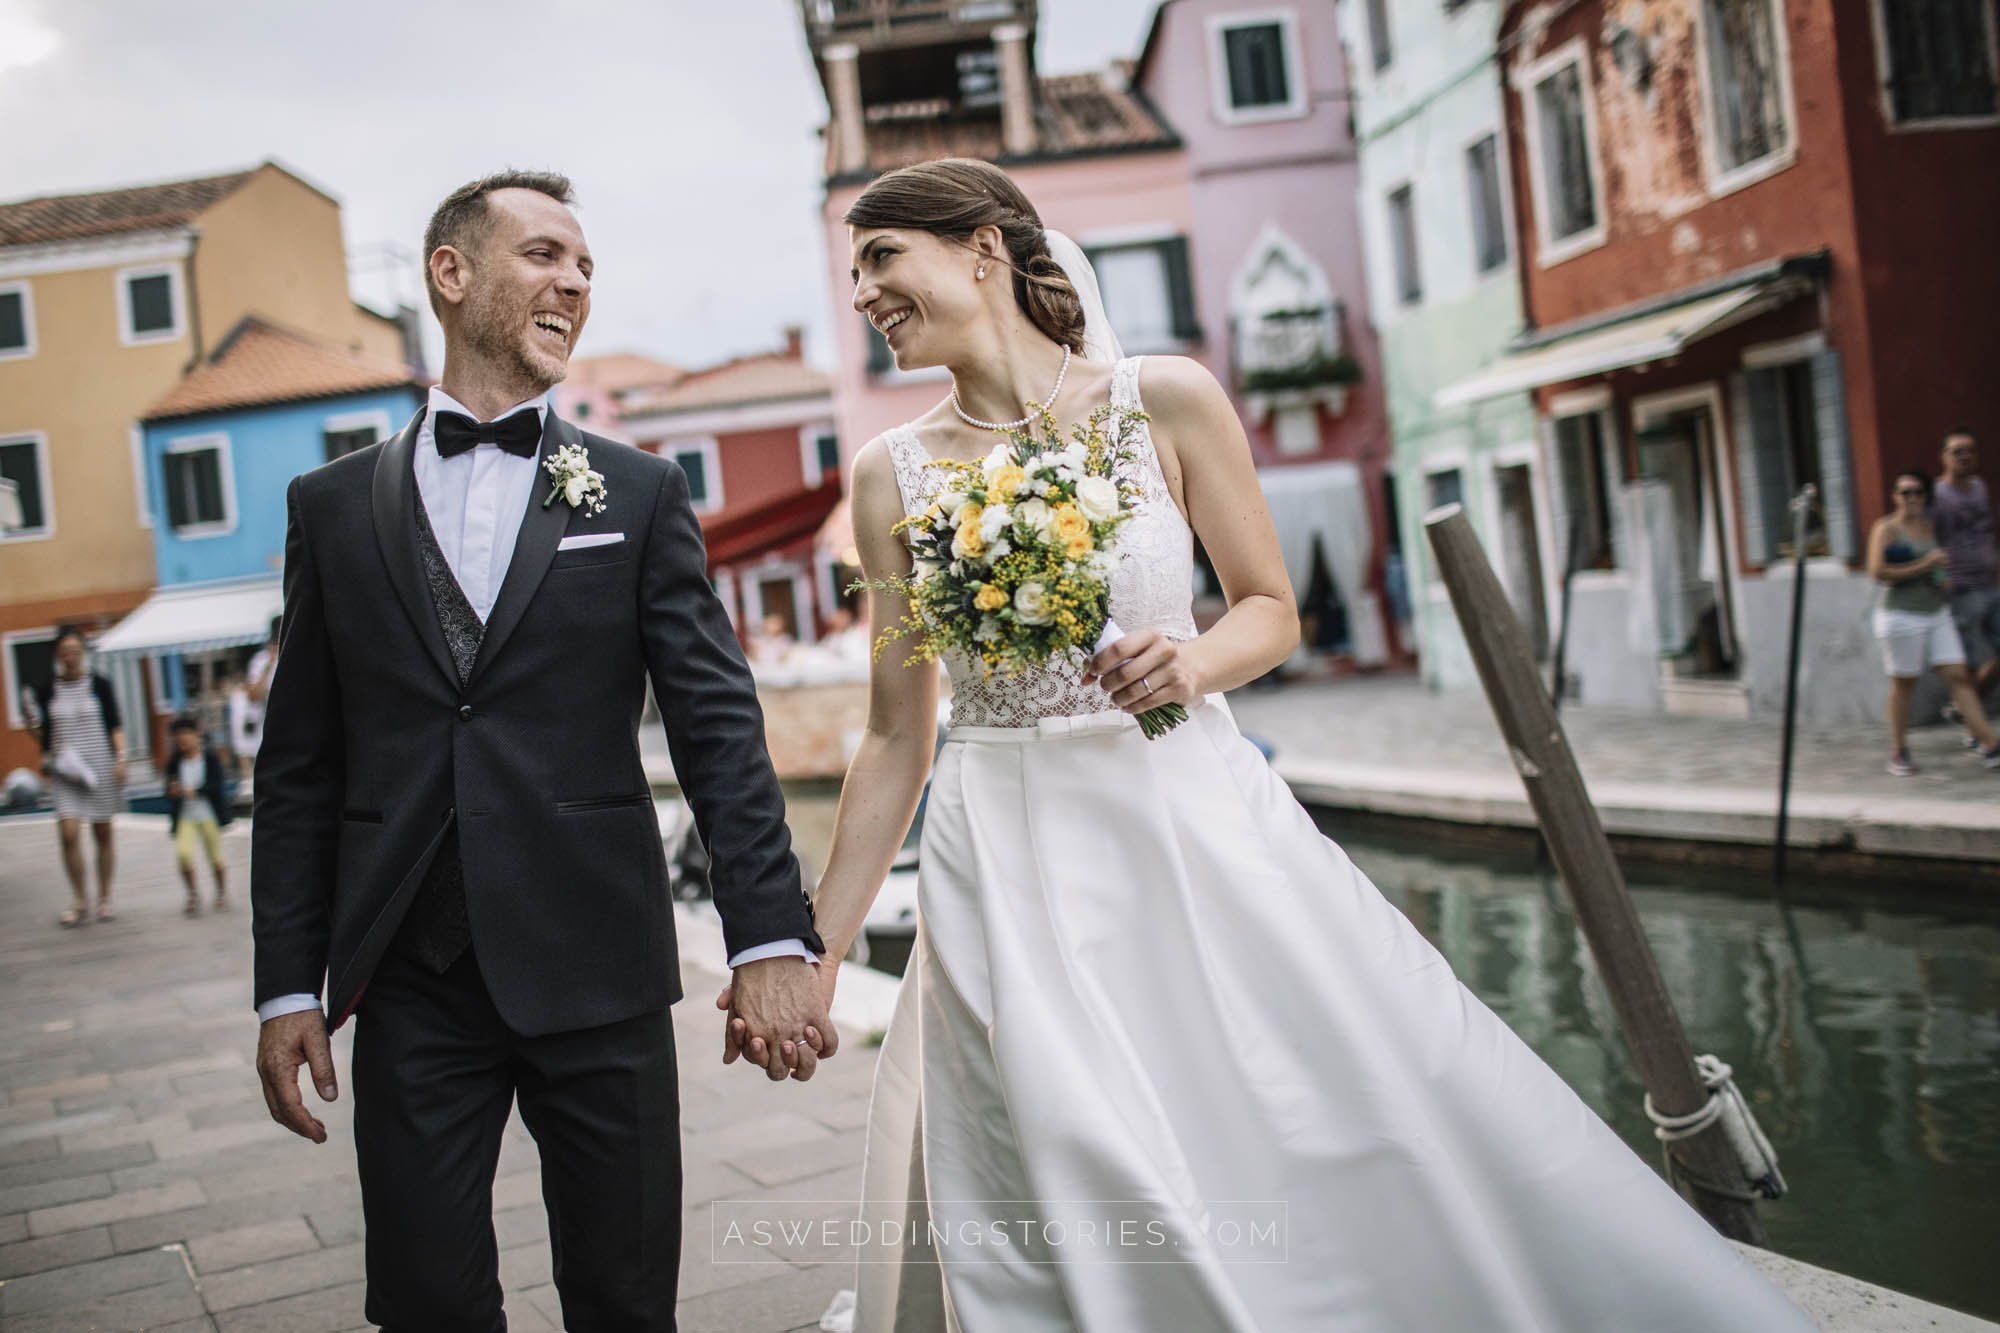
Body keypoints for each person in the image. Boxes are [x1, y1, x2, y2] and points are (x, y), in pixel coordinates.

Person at [773, 159, 1815, 1331]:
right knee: (1059, 1128)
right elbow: (894, 733)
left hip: (1180, 810)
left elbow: (1270, 607)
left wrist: (1190, 660)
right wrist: (814, 947)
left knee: (1291, 1088)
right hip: (998, 849)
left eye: (878, 259)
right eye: (853, 270)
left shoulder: (1162, 399)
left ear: (979, 248)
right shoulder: (888, 474)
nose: (861, 293)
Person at [250, 170, 831, 1332]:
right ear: (450, 275)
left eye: (583, 267)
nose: (572, 281)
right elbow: (300, 764)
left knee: (622, 1299)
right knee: (422, 1300)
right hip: (411, 971)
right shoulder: (329, 508)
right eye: (542, 255)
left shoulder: (640, 490)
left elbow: (716, 733)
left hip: (599, 965)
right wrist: (285, 983)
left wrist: (767, 938)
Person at [1868, 469, 2000, 775]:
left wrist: (1941, 578)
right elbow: (1878, 572)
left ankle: (1990, 743)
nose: (1911, 498)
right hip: (1900, 616)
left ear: (1925, 497)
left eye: (1917, 492)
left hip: (1935, 613)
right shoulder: (1886, 529)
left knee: (1958, 675)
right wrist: (1924, 564)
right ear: (1895, 496)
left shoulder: (1928, 527)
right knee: (1904, 684)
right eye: (1905, 492)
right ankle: (1899, 751)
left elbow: (1935, 567)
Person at [33, 626, 126, 926]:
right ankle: (79, 897)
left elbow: (115, 725)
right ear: (56, 656)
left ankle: (104, 898)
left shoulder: (101, 685)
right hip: (65, 769)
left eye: (75, 651)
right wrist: (42, 752)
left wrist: (120, 759)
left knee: (102, 831)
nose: (70, 657)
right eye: (64, 653)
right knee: (68, 832)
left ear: (83, 652)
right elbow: (45, 734)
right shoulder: (47, 690)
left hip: (99, 764)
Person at [1931, 430, 1999, 724]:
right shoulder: (1937, 494)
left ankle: (1964, 710)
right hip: (1960, 588)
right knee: (1974, 661)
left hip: (1991, 583)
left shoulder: (1980, 487)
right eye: (1957, 451)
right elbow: (1928, 540)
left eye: (1969, 450)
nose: (1964, 456)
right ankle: (1973, 718)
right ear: (1944, 456)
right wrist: (1938, 578)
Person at [165, 712, 231, 915]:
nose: (182, 739)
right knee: (183, 854)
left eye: (186, 734)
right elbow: (168, 787)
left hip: (208, 814)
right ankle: (193, 894)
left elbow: (217, 785)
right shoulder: (175, 761)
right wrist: (173, 791)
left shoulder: (209, 757)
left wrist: (196, 791)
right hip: (186, 815)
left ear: (196, 735)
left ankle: (221, 892)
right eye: (178, 735)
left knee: (216, 857)